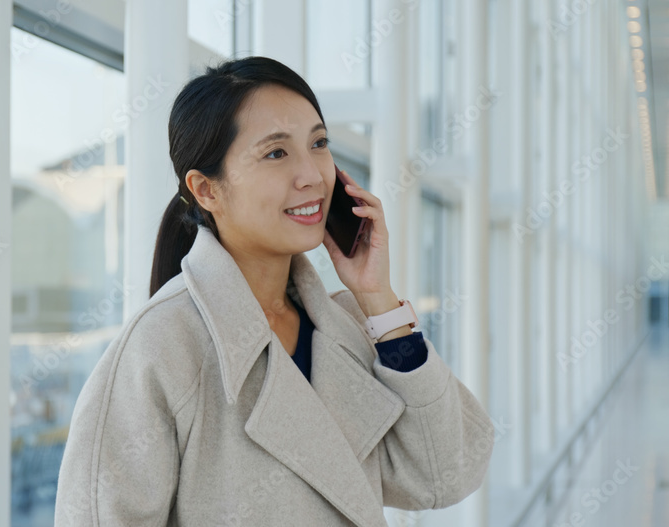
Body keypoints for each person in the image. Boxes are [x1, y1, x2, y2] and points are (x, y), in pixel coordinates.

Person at [54, 56, 494, 526]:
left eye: (319, 143)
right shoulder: (160, 347)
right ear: (206, 190)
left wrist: (378, 299)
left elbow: (447, 474)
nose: (312, 175)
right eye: (276, 153)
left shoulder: (344, 326)